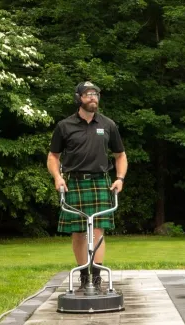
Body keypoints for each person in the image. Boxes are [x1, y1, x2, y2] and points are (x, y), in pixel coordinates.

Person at [47, 81, 128, 291]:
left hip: (101, 182)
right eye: (88, 94)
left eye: (96, 94)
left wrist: (120, 178)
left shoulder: (108, 125)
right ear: (78, 98)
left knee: (98, 231)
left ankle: (98, 278)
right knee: (78, 232)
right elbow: (53, 157)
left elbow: (120, 155)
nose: (93, 98)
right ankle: (84, 277)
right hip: (75, 182)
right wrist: (58, 177)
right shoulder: (65, 126)